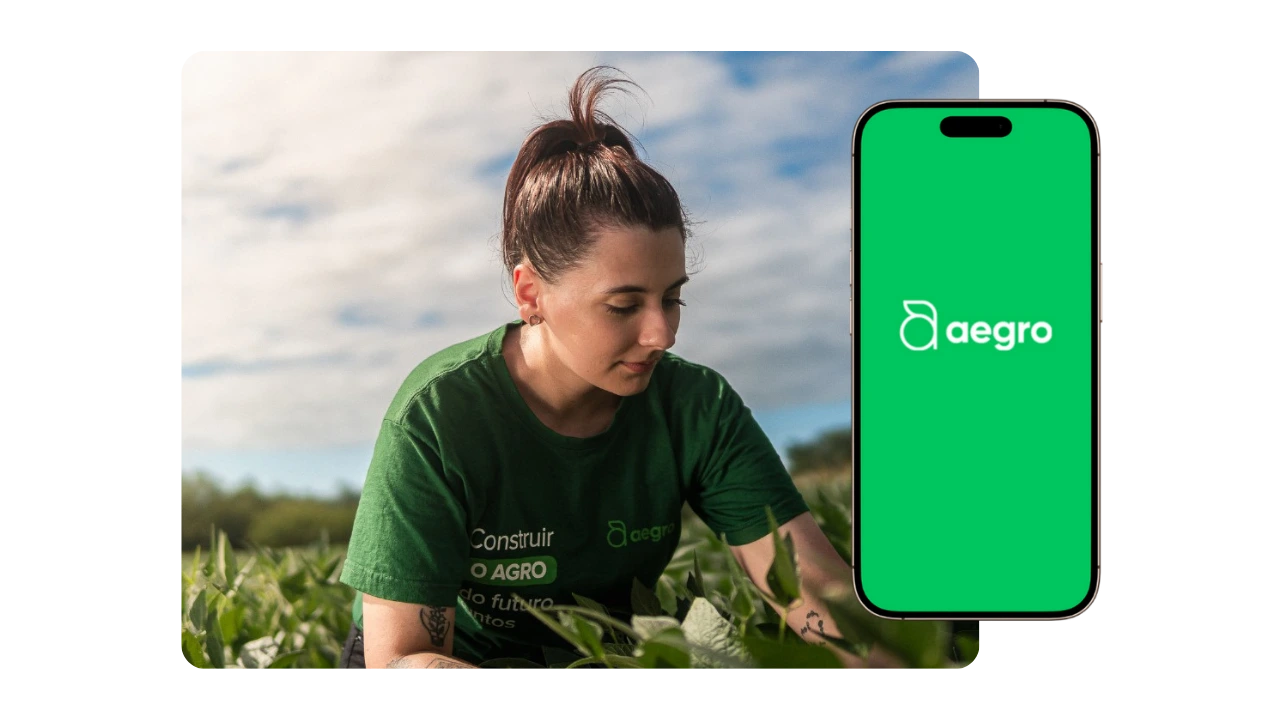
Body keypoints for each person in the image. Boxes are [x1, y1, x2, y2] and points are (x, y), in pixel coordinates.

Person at [338, 66, 894, 671]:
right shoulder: (440, 414)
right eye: (623, 305)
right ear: (531, 294)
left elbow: (815, 594)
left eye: (672, 298)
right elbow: (409, 660)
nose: (661, 334)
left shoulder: (696, 407)